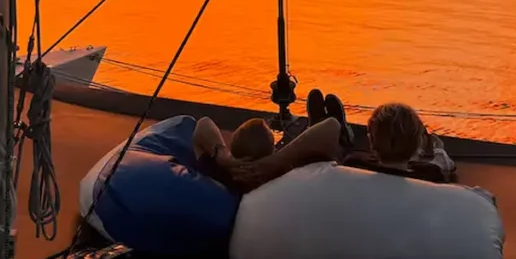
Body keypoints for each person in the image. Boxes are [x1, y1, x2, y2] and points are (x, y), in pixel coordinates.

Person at [193, 91, 454, 193]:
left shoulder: (354, 167)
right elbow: (443, 163)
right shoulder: (429, 173)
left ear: (372, 141)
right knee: (327, 148)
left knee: (326, 147)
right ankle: (325, 131)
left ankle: (315, 128)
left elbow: (202, 123)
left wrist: (224, 157)